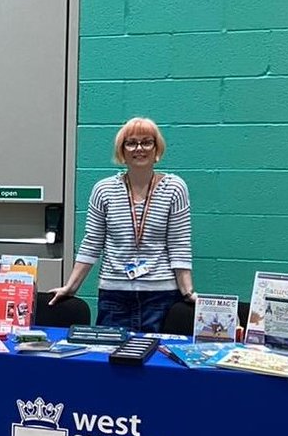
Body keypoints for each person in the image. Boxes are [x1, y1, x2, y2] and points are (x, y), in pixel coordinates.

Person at [48, 117, 194, 332]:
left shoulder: (174, 188)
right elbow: (92, 242)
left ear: (156, 149)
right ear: (122, 151)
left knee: (155, 358)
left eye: (147, 142)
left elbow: (179, 243)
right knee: (110, 355)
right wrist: (71, 287)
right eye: (131, 143)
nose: (139, 149)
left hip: (160, 294)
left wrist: (187, 291)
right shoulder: (104, 190)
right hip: (114, 294)